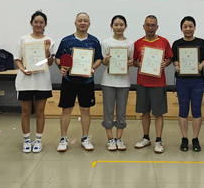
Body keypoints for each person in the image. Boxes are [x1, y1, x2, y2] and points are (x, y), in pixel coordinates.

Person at [55, 12, 103, 152]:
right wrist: (61, 67)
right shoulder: (66, 41)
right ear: (75, 23)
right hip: (69, 80)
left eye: (85, 21)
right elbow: (58, 58)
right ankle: (63, 138)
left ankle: (85, 138)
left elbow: (99, 58)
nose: (83, 23)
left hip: (87, 81)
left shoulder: (94, 41)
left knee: (86, 110)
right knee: (66, 110)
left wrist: (92, 68)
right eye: (80, 20)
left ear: (89, 24)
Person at [15, 10, 56, 153]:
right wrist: (23, 70)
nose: (38, 24)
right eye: (36, 22)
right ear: (31, 23)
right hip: (25, 81)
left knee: (40, 112)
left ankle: (38, 140)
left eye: (41, 22)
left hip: (42, 82)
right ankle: (26, 140)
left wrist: (47, 51)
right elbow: (18, 59)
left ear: (45, 24)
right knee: (26, 112)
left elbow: (49, 62)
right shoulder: (23, 39)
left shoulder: (49, 40)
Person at [133, 15, 173, 153]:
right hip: (142, 82)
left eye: (153, 25)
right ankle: (145, 138)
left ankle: (158, 140)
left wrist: (165, 64)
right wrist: (140, 64)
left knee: (158, 113)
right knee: (144, 111)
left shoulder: (164, 42)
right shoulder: (138, 43)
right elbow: (134, 61)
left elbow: (169, 58)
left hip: (158, 83)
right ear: (144, 26)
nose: (150, 27)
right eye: (148, 25)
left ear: (157, 27)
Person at [172, 16, 204, 152]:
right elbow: (175, 60)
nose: (188, 29)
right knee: (183, 110)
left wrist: (200, 66)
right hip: (182, 81)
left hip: (197, 80)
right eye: (185, 26)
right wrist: (177, 65)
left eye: (190, 26)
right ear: (181, 28)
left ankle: (195, 138)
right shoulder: (177, 43)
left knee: (197, 110)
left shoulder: (201, 42)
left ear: (195, 27)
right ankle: (184, 138)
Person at [100, 15, 134, 151]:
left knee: (121, 111)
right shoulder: (105, 42)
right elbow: (103, 62)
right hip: (108, 81)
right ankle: (110, 139)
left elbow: (131, 60)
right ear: (111, 26)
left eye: (121, 25)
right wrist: (105, 60)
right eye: (116, 24)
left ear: (125, 26)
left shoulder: (130, 43)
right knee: (108, 111)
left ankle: (119, 138)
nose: (118, 27)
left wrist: (130, 63)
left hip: (124, 82)